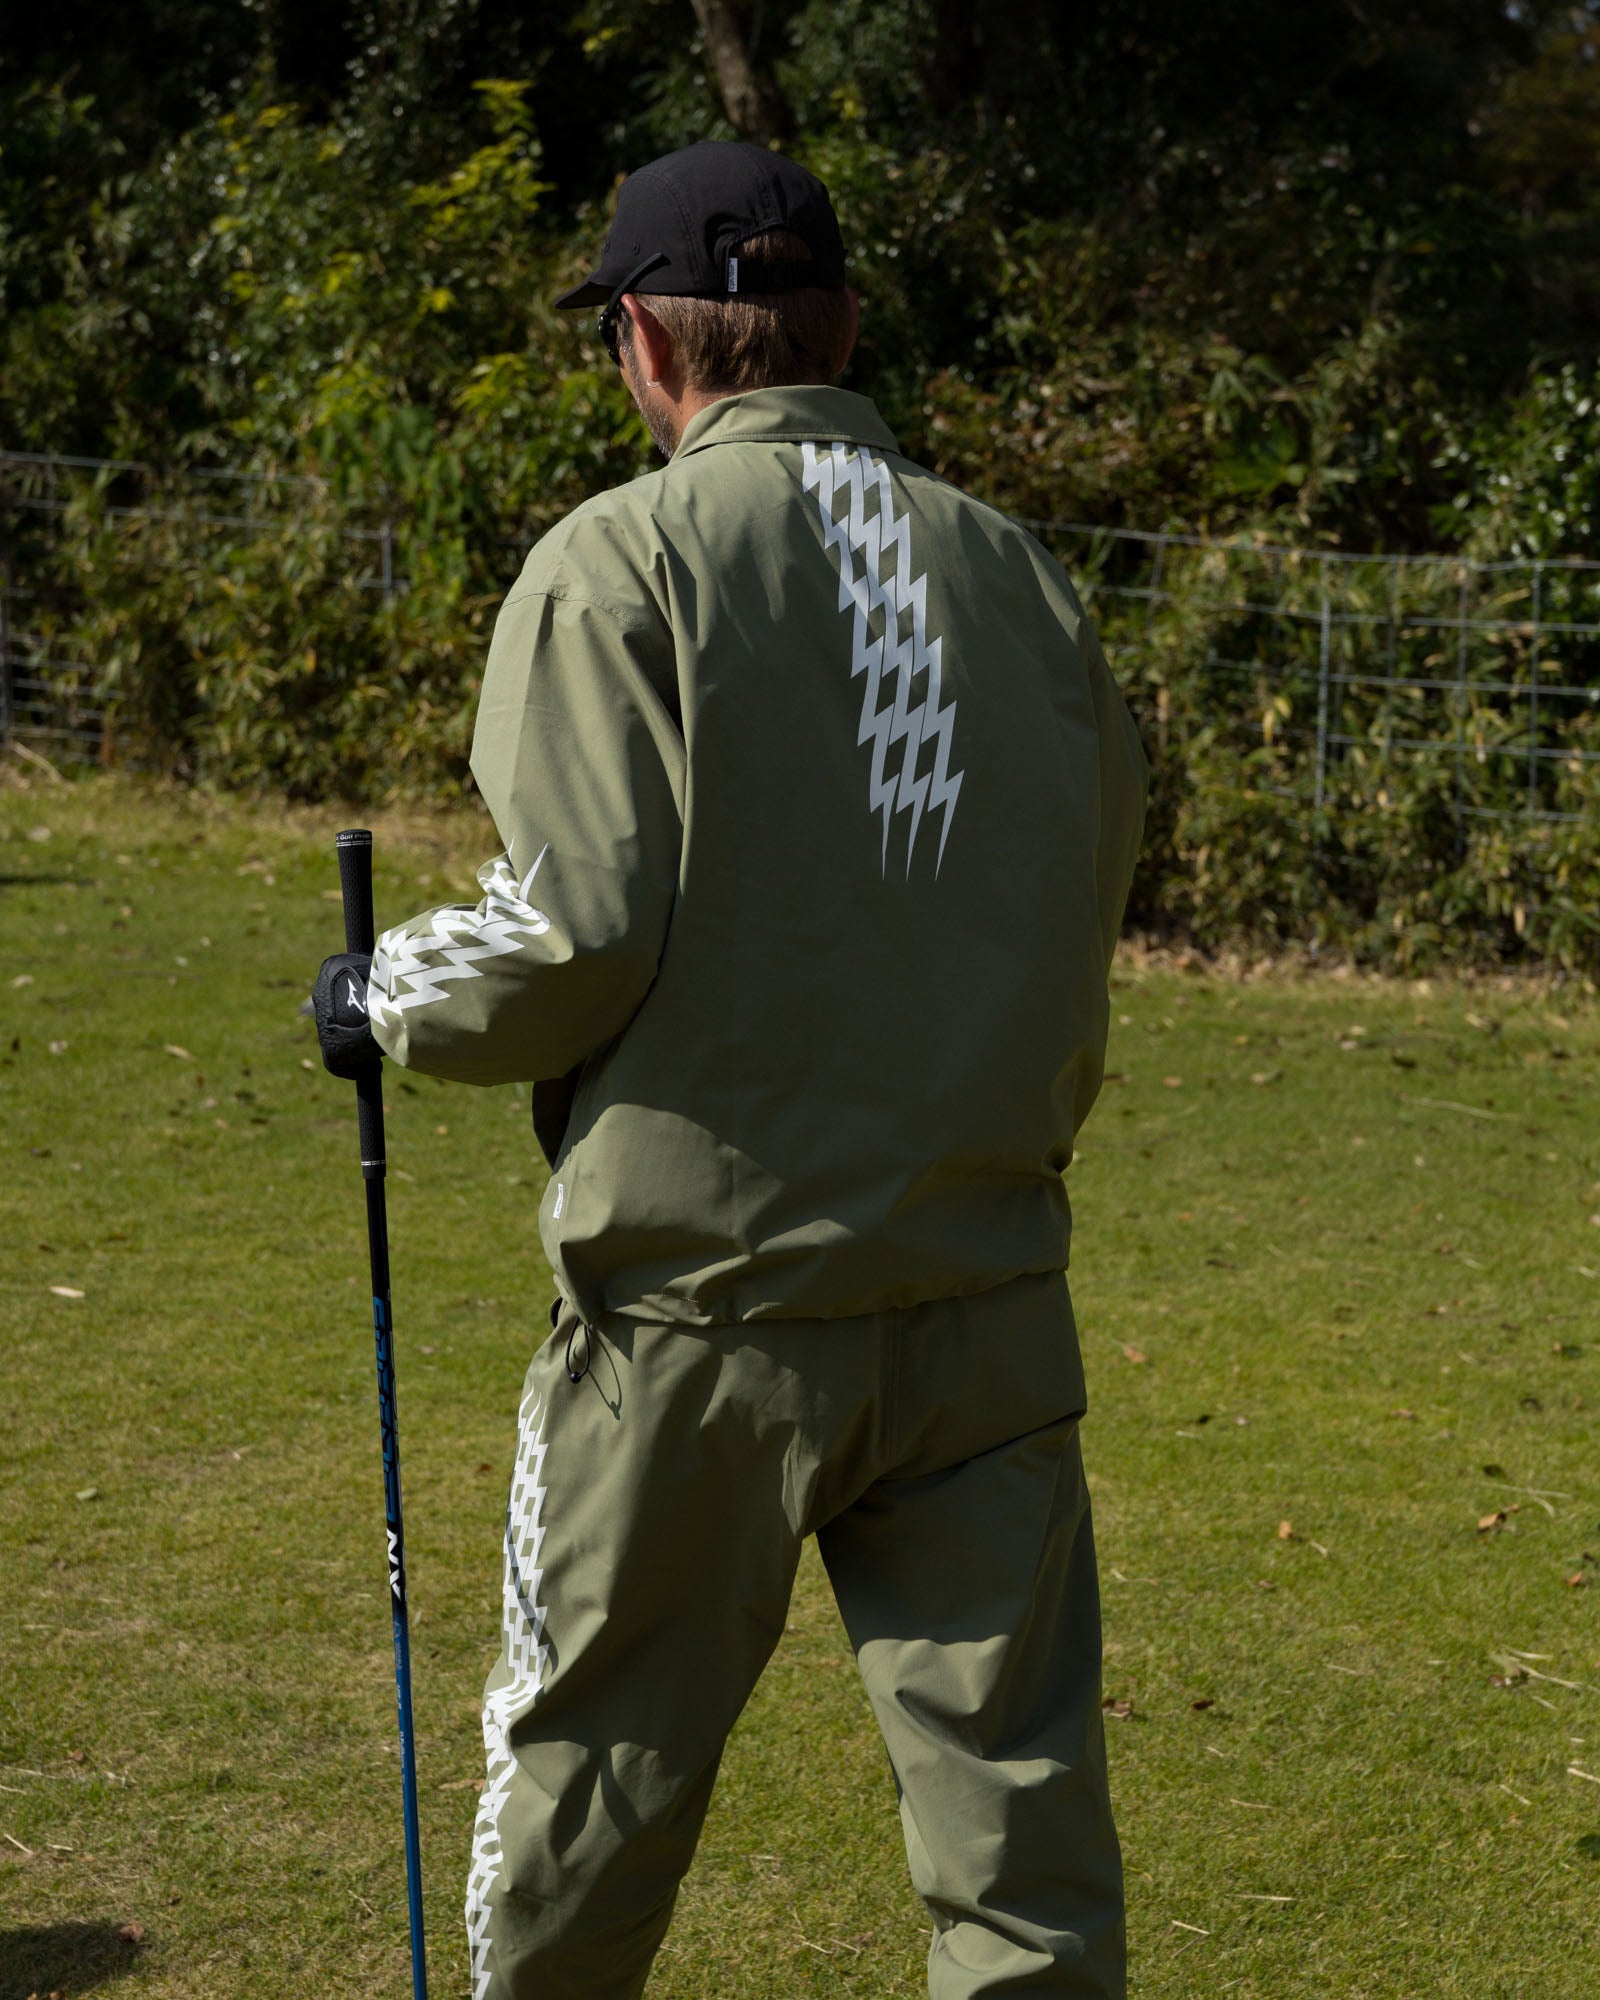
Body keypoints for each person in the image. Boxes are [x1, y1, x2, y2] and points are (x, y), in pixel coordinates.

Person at [314, 139, 1148, 2000]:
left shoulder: (622, 559)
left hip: (702, 1315)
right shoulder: (1022, 575)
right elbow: (1083, 908)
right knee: (1025, 1856)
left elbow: (571, 932)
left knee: (590, 1782)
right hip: (981, 1296)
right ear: (842, 322)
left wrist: (380, 992)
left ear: (643, 344)